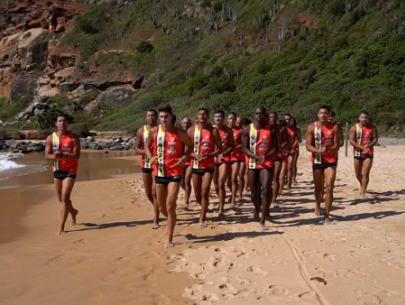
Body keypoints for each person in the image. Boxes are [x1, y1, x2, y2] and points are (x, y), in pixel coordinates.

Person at [145, 105, 193, 248]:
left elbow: (190, 146)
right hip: (159, 172)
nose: (163, 119)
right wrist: (150, 157)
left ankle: (170, 239)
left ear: (171, 117)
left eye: (166, 117)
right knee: (161, 208)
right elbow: (147, 146)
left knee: (170, 204)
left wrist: (184, 157)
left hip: (175, 173)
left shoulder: (180, 133)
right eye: (161, 117)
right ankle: (171, 219)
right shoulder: (154, 131)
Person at [242, 107, 278, 229]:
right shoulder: (247, 129)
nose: (258, 116)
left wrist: (266, 156)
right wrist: (256, 156)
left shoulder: (271, 130)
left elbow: (275, 147)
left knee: (266, 188)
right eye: (256, 113)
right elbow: (244, 148)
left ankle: (263, 218)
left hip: (266, 162)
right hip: (252, 162)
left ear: (265, 115)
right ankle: (257, 208)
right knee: (253, 193)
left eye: (261, 114)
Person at [45, 114, 81, 235]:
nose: (62, 123)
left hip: (70, 170)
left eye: (64, 121)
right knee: (61, 199)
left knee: (65, 197)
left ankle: (61, 227)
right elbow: (47, 156)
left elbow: (77, 155)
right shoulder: (51, 138)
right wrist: (53, 156)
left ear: (67, 123)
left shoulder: (74, 138)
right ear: (56, 124)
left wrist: (64, 155)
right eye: (59, 121)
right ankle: (73, 211)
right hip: (57, 170)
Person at [305, 105, 340, 224]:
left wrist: (328, 149)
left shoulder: (335, 127)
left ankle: (327, 215)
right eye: (321, 113)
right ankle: (317, 203)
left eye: (325, 113)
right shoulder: (311, 127)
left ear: (329, 115)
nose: (323, 115)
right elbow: (308, 146)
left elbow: (338, 144)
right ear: (317, 114)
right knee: (318, 188)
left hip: (330, 160)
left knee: (329, 187)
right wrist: (318, 151)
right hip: (317, 160)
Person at [188, 108, 222, 227]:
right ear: (197, 116)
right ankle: (204, 206)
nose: (202, 116)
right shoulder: (191, 131)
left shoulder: (213, 131)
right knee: (197, 193)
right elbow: (186, 150)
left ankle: (202, 218)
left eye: (204, 114)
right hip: (195, 165)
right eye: (200, 114)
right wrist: (194, 155)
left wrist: (209, 155)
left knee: (205, 190)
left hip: (208, 165)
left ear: (208, 117)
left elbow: (219, 148)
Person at [135, 110, 160, 229]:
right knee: (149, 193)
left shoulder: (161, 130)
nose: (151, 118)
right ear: (146, 118)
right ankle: (158, 207)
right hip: (145, 164)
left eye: (153, 116)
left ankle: (156, 217)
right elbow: (136, 148)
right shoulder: (141, 131)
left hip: (157, 165)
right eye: (149, 116)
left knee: (155, 192)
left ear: (156, 117)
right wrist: (145, 152)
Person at [349, 111, 378, 197]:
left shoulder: (372, 127)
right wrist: (362, 147)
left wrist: (368, 146)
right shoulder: (354, 128)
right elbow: (352, 141)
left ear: (368, 118)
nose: (364, 119)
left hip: (368, 153)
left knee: (366, 173)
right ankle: (362, 184)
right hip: (358, 153)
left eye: (366, 117)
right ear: (359, 118)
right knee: (358, 174)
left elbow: (375, 139)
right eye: (362, 117)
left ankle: (363, 191)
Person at [213, 110, 235, 216]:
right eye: (216, 116)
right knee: (216, 185)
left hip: (224, 159)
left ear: (223, 118)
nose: (218, 118)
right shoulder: (210, 130)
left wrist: (224, 153)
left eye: (220, 116)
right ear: (213, 118)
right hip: (212, 160)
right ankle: (221, 199)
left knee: (221, 183)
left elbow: (232, 145)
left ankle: (221, 209)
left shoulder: (228, 130)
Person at [269, 112, 289, 209]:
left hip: (277, 155)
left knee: (276, 176)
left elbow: (287, 140)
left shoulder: (281, 128)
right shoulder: (264, 127)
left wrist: (282, 147)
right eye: (270, 117)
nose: (272, 118)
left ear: (277, 118)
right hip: (267, 156)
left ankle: (274, 200)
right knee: (266, 178)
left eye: (274, 117)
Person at [227, 112, 243, 207]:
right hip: (226, 157)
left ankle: (233, 199)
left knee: (234, 178)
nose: (232, 120)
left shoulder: (240, 131)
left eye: (233, 119)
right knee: (228, 181)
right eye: (230, 119)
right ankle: (233, 192)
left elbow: (243, 143)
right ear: (227, 119)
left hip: (236, 157)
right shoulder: (224, 130)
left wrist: (235, 147)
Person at [180, 117, 193, 206]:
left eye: (188, 123)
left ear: (190, 124)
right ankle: (187, 192)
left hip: (190, 161)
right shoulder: (179, 134)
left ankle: (186, 200)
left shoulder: (193, 134)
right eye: (184, 123)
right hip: (181, 161)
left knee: (187, 180)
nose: (186, 124)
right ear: (181, 124)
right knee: (181, 182)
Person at [284, 113, 298, 190]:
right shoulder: (282, 128)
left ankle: (289, 184)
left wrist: (291, 148)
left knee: (290, 166)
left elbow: (296, 139)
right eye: (286, 119)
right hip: (283, 150)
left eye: (289, 119)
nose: (287, 121)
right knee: (284, 168)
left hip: (292, 150)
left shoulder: (294, 129)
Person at [290, 117, 302, 185]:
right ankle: (289, 178)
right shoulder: (286, 129)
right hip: (288, 148)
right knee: (288, 165)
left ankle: (294, 178)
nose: (291, 122)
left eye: (292, 121)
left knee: (294, 164)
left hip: (295, 148)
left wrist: (297, 140)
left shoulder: (297, 130)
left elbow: (299, 139)